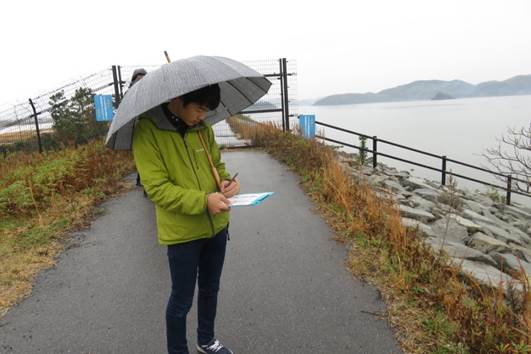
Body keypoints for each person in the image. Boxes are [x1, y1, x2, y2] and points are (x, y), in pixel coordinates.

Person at [132, 83, 239, 354]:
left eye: (207, 111)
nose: (202, 116)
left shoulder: (202, 128)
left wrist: (226, 183)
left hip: (217, 224)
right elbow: (156, 188)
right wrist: (203, 201)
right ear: (178, 99)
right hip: (182, 232)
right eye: (199, 109)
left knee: (210, 289)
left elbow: (218, 164)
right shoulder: (148, 130)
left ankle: (207, 340)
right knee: (181, 299)